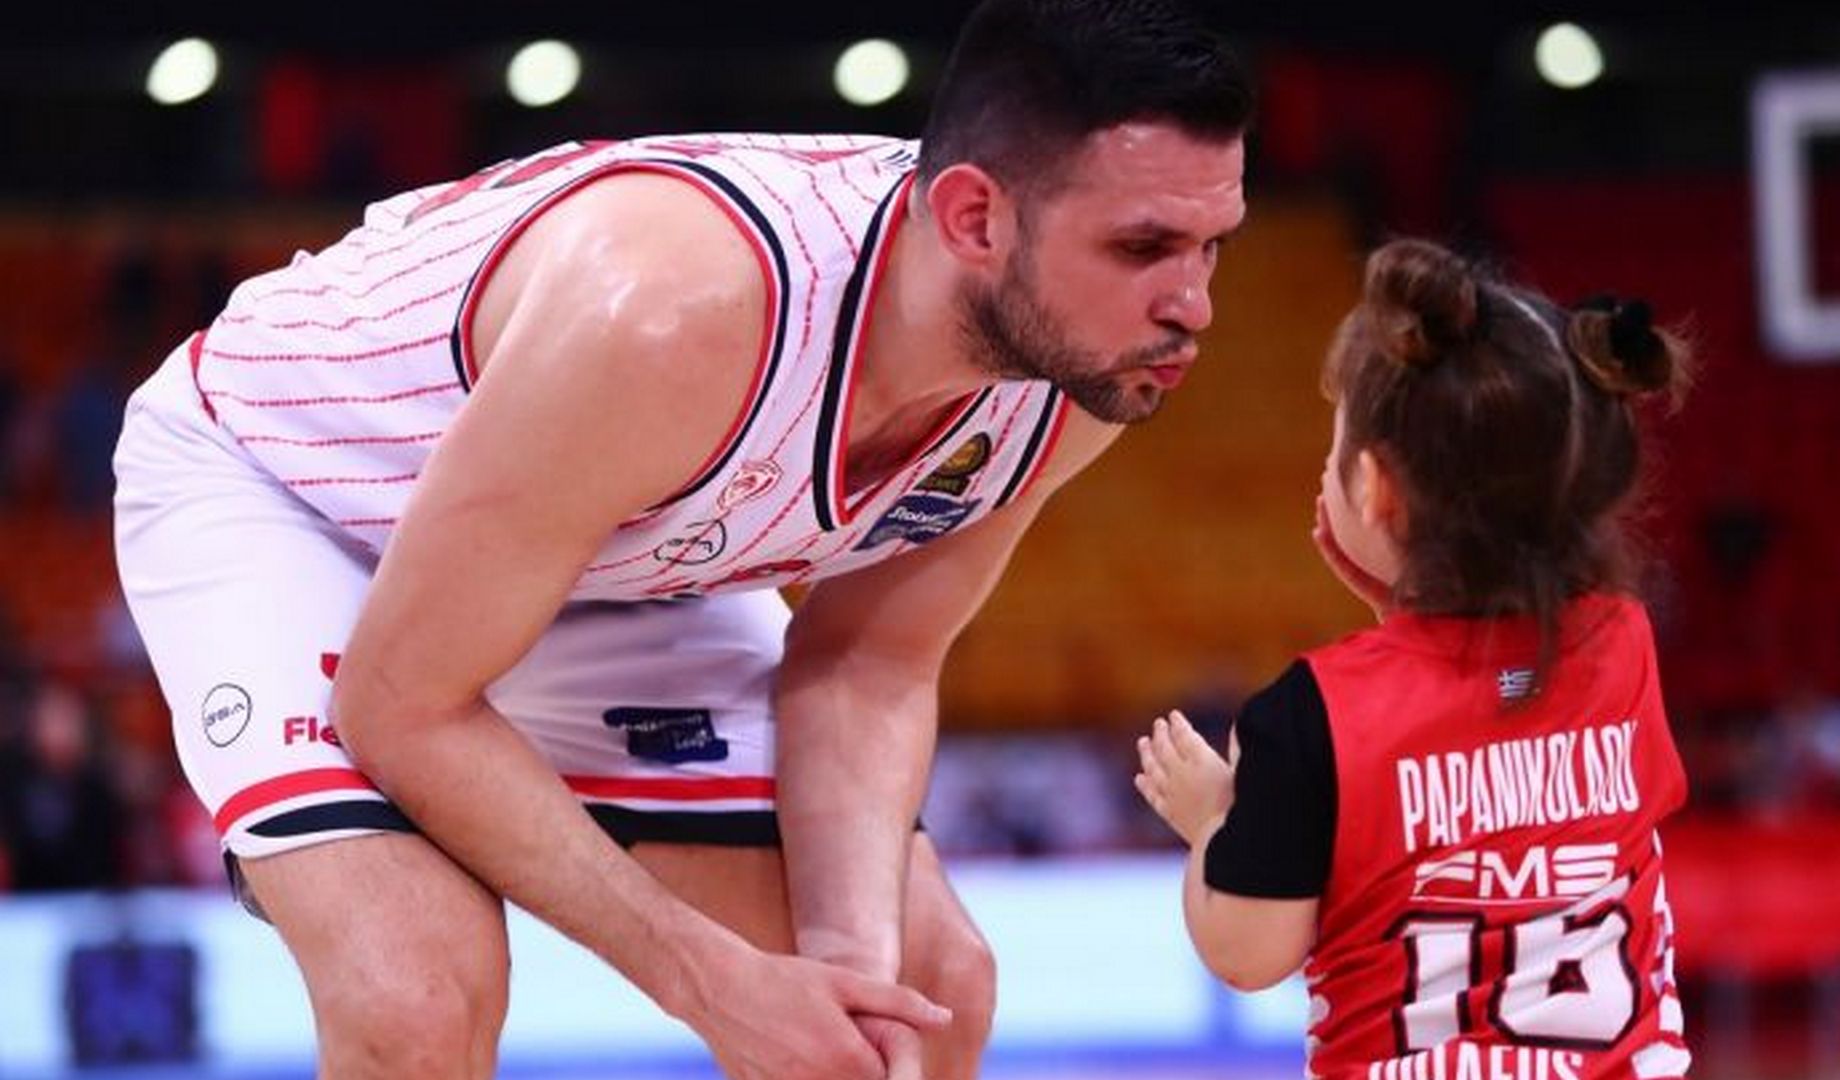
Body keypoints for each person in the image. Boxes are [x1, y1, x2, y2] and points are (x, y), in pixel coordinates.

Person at [111, 1, 1249, 1077]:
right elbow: (401, 705)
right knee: (419, 994)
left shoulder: (1081, 373)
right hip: (302, 494)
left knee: (922, 989)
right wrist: (710, 984)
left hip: (606, 531)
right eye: (1144, 247)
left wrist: (846, 980)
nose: (1192, 305)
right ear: (975, 220)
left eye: (1213, 247)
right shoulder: (677, 313)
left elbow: (868, 665)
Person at [1135, 239, 1694, 1080]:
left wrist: (1215, 817)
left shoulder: (1308, 715)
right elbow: (1492, 703)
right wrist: (1407, 616)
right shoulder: (1623, 644)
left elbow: (1247, 953)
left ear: (1375, 488)